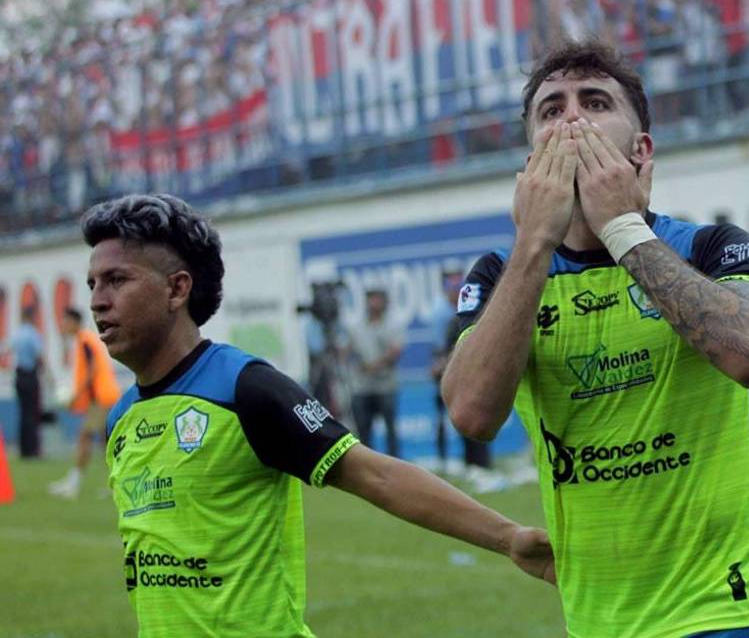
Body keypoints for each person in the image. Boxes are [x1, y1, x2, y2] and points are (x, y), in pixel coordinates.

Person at [81, 194, 554, 637]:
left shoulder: (244, 388)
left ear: (176, 289)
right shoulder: (121, 418)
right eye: (93, 284)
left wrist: (508, 537)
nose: (98, 301)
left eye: (117, 280)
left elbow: (377, 476)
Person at [442, 40, 749, 638]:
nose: (571, 119)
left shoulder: (708, 247)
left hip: (719, 609)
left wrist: (622, 227)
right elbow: (472, 414)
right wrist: (532, 245)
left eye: (594, 103)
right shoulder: (505, 274)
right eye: (550, 111)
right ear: (529, 161)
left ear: (640, 148)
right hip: (595, 618)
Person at [49, 307, 122, 498]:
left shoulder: (84, 340)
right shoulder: (86, 339)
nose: (63, 325)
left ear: (74, 322)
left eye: (65, 321)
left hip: (101, 398)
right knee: (108, 444)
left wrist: (76, 394)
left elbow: (93, 368)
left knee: (85, 438)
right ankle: (118, 485)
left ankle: (73, 484)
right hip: (103, 397)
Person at [429, 268, 490, 470]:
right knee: (444, 418)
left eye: (458, 286)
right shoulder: (440, 314)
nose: (455, 290)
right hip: (450, 370)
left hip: (470, 371)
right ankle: (444, 460)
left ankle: (477, 462)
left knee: (473, 415)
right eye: (451, 286)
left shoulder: (469, 307)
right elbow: (439, 348)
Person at [346, 288, 404, 458]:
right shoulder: (356, 326)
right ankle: (367, 462)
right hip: (362, 386)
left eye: (378, 299)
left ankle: (396, 463)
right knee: (363, 430)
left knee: (391, 429)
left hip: (386, 385)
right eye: (371, 299)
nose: (374, 303)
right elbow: (348, 350)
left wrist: (374, 365)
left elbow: (396, 350)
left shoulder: (393, 324)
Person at [10, 305, 45, 458]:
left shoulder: (17, 334)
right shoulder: (33, 334)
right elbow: (39, 356)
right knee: (32, 413)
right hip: (30, 375)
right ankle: (33, 450)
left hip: (19, 375)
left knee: (23, 413)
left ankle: (23, 449)